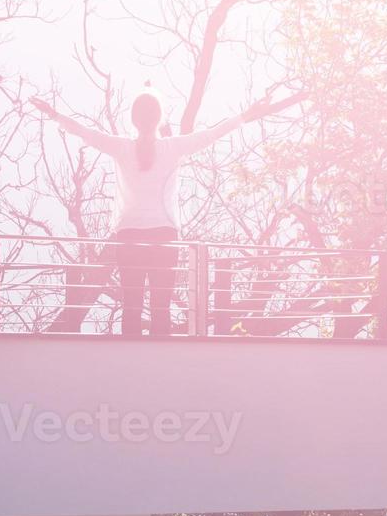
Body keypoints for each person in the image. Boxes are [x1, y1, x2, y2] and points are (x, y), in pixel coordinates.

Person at [29, 89, 285, 336]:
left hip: (129, 236)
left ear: (133, 119)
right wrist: (245, 115)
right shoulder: (172, 147)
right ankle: (161, 363)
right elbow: (211, 135)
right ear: (160, 118)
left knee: (131, 306)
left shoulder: (121, 147)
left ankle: (130, 365)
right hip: (164, 235)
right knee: (160, 307)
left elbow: (85, 133)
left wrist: (54, 114)